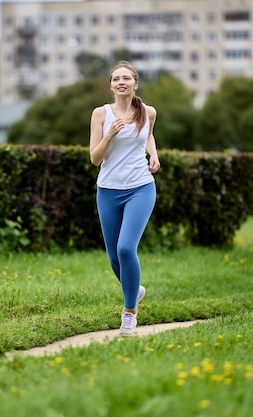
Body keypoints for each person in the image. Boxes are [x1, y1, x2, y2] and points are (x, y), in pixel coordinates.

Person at [89, 60, 160, 336]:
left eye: (126, 78)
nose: (121, 82)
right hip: (108, 191)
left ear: (135, 83)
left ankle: (129, 313)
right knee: (114, 258)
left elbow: (148, 136)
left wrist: (153, 154)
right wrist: (110, 134)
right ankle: (135, 288)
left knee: (126, 249)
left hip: (141, 187)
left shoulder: (148, 112)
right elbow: (95, 158)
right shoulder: (100, 114)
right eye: (116, 78)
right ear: (111, 85)